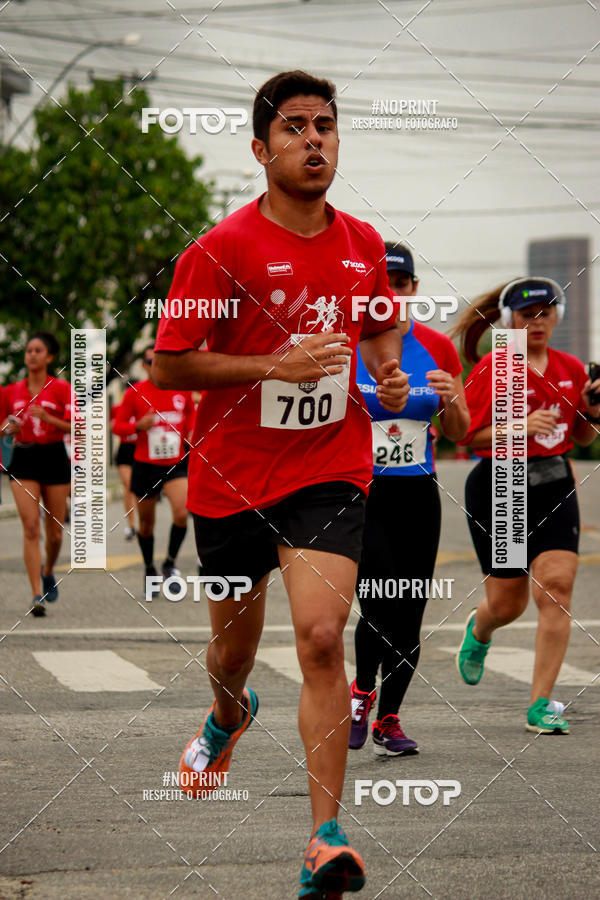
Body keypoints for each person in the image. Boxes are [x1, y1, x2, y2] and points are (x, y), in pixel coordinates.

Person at [152, 70, 409, 899]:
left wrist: (389, 375)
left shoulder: (364, 243)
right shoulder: (219, 251)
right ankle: (228, 716)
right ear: (262, 149)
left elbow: (378, 327)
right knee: (233, 652)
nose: (314, 139)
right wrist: (275, 362)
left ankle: (323, 840)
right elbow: (170, 363)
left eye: (326, 126)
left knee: (323, 637)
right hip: (229, 478)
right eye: (295, 127)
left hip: (329, 467)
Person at [452, 277, 600, 734]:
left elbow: (581, 438)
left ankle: (541, 704)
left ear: (559, 315)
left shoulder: (572, 368)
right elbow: (463, 438)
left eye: (546, 311)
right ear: (508, 318)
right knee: (508, 603)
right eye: (527, 313)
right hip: (502, 483)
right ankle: (479, 630)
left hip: (554, 480)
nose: (538, 321)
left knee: (556, 589)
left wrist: (593, 412)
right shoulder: (494, 369)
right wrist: (519, 426)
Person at [349, 244, 469, 756]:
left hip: (418, 493)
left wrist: (451, 396)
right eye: (384, 284)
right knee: (377, 601)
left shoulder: (439, 347)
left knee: (411, 608)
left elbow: (462, 432)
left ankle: (389, 718)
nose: (392, 294)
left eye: (401, 284)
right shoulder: (348, 346)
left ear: (414, 291)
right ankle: (360, 695)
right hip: (362, 490)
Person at [113, 347, 194, 599]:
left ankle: (169, 562)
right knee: (146, 525)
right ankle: (149, 568)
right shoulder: (134, 393)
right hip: (146, 464)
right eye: (150, 361)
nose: (155, 364)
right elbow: (117, 426)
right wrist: (137, 425)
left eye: (159, 360)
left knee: (182, 513)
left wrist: (189, 433)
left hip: (175, 463)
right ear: (145, 366)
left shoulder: (181, 389)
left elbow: (190, 414)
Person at [0, 332, 71, 616]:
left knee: (54, 533)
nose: (31, 354)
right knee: (31, 528)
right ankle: (36, 595)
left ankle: (48, 569)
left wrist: (49, 419)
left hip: (54, 456)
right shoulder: (9, 391)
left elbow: (78, 427)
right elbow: (1, 428)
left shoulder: (62, 389)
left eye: (38, 350)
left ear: (49, 357)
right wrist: (7, 429)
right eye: (28, 350)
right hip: (24, 458)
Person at [110, 392, 138, 540]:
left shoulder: (144, 405)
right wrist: (132, 427)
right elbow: (113, 426)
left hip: (141, 449)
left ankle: (144, 524)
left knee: (140, 490)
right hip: (125, 450)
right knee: (128, 487)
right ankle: (131, 525)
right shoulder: (117, 408)